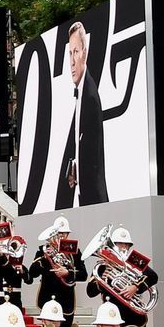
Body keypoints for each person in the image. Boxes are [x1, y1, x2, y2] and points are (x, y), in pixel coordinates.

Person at [56, 20, 107, 209]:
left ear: (84, 53)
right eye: (69, 53)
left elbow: (92, 162)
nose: (71, 61)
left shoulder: (90, 97)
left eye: (75, 52)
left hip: (93, 200)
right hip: (84, 199)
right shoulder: (81, 91)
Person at [26, 220, 88, 323]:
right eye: (58, 233)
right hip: (47, 295)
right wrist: (44, 258)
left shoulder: (75, 252)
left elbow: (83, 275)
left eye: (64, 233)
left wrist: (68, 273)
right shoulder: (43, 250)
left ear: (68, 234)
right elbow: (32, 273)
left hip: (66, 298)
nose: (61, 236)